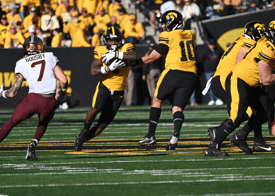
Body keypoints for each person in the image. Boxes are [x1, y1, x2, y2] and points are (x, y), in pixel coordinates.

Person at [205, 18, 275, 157]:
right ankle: (213, 147)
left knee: (265, 110)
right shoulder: (265, 48)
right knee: (238, 115)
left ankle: (242, 136)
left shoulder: (268, 44)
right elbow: (266, 80)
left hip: (250, 83)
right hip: (239, 80)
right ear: (272, 34)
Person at [0, 35, 68, 161]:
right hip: (49, 101)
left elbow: (12, 93)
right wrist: (63, 93)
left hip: (33, 99)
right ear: (40, 46)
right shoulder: (49, 56)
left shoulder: (21, 63)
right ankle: (33, 143)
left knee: (12, 122)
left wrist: (2, 93)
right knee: (43, 123)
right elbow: (64, 80)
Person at [134, 10, 199, 150]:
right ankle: (175, 136)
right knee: (177, 107)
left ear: (171, 23)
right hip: (191, 75)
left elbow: (152, 57)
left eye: (165, 22)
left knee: (157, 101)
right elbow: (197, 57)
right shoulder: (191, 34)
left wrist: (132, 62)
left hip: (173, 72)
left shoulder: (167, 35)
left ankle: (151, 135)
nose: (163, 26)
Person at [74, 26, 137, 151]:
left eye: (116, 40)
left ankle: (82, 139)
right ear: (105, 40)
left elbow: (133, 56)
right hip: (106, 86)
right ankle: (84, 130)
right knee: (95, 109)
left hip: (119, 90)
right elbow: (93, 70)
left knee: (103, 124)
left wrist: (116, 54)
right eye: (111, 40)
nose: (113, 43)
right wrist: (107, 68)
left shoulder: (126, 47)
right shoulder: (101, 49)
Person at [200, 39, 222, 106]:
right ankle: (212, 99)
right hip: (208, 72)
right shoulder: (205, 51)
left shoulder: (218, 51)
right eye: (211, 44)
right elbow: (201, 60)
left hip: (216, 71)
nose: (212, 46)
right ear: (208, 44)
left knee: (217, 85)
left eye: (213, 44)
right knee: (210, 86)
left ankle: (218, 99)